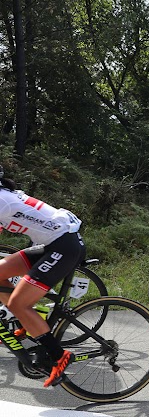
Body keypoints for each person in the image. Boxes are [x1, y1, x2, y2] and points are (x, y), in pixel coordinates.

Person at [0, 165, 85, 387]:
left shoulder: (2, 201)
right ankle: (27, 322)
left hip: (64, 246)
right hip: (52, 243)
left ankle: (59, 355)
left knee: (20, 303)